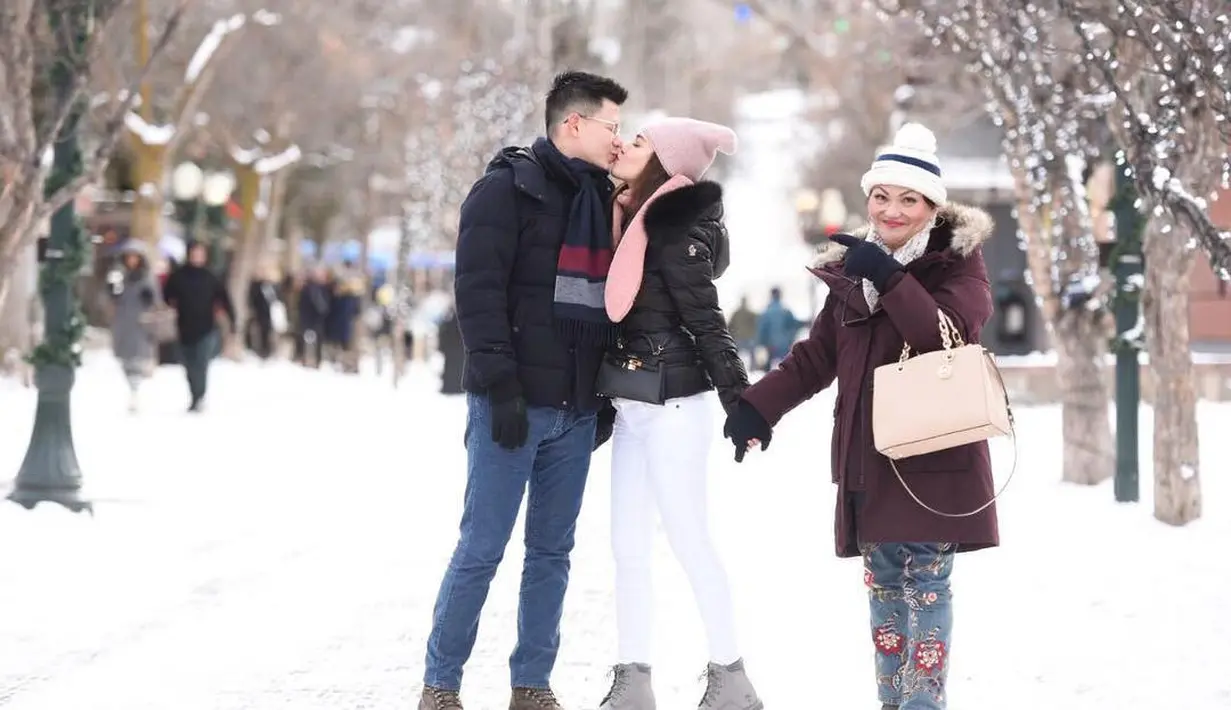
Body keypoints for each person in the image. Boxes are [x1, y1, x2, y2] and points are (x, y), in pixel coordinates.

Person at [722, 123, 999, 710]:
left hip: (933, 468)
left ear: (931, 207)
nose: (891, 210)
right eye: (881, 196)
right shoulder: (854, 271)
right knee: (884, 605)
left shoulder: (959, 267)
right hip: (869, 467)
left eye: (908, 199)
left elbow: (942, 336)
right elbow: (817, 356)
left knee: (926, 592)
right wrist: (757, 407)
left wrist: (889, 276)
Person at [418, 70, 628, 710]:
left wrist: (602, 397)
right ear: (573, 124)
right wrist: (500, 386)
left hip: (575, 408)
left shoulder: (605, 200)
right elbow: (476, 298)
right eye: (611, 127)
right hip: (510, 405)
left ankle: (531, 684)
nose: (619, 140)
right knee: (482, 547)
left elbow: (614, 305)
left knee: (552, 554)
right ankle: (441, 685)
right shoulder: (505, 192)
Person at [596, 118, 761, 710]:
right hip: (632, 403)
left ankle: (731, 677)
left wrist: (741, 402)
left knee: (690, 538)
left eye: (638, 142)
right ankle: (634, 679)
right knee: (627, 546)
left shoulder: (674, 229)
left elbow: (706, 320)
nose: (624, 145)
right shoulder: (626, 215)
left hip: (673, 405)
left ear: (664, 162)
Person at [162, 241, 235, 412]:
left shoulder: (211, 277)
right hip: (184, 327)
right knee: (188, 365)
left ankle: (199, 396)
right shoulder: (178, 276)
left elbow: (224, 299)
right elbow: (167, 296)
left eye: (200, 253)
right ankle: (194, 393)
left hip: (206, 328)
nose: (197, 257)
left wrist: (232, 320)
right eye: (194, 253)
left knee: (201, 363)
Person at [108, 240, 159, 412]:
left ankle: (135, 391)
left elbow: (155, 298)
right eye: (129, 257)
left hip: (140, 321)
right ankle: (131, 387)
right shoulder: (118, 274)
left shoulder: (146, 277)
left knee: (138, 356)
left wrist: (149, 299)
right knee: (125, 357)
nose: (131, 260)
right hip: (123, 321)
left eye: (135, 257)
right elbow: (112, 296)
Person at [754, 286, 803, 370]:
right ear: (780, 296)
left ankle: (769, 382)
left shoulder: (766, 312)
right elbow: (794, 325)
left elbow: (762, 330)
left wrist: (761, 343)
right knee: (787, 369)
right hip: (785, 345)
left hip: (770, 345)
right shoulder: (786, 311)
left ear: (771, 296)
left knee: (768, 371)